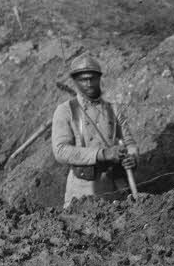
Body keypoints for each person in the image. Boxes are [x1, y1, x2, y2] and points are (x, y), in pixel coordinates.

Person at [51, 53, 138, 208]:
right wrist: (101, 154)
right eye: (83, 79)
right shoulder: (65, 111)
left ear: (99, 78)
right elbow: (60, 150)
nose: (89, 83)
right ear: (75, 82)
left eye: (93, 78)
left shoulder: (113, 110)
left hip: (114, 190)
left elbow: (128, 142)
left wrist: (132, 156)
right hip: (80, 192)